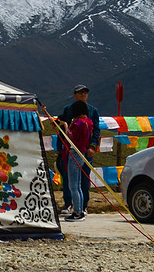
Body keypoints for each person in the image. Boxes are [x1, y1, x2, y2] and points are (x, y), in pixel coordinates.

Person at [59, 84, 100, 215]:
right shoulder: (68, 109)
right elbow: (62, 131)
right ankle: (68, 203)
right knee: (67, 177)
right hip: (68, 148)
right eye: (80, 92)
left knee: (84, 177)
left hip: (85, 149)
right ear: (75, 95)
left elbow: (96, 131)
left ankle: (83, 206)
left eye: (85, 92)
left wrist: (93, 146)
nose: (83, 94)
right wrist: (60, 146)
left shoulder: (93, 111)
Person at [62, 99, 94, 222]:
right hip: (83, 152)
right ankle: (80, 209)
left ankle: (77, 212)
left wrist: (66, 126)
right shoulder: (88, 122)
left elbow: (70, 137)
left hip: (74, 153)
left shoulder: (78, 124)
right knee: (78, 184)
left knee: (73, 185)